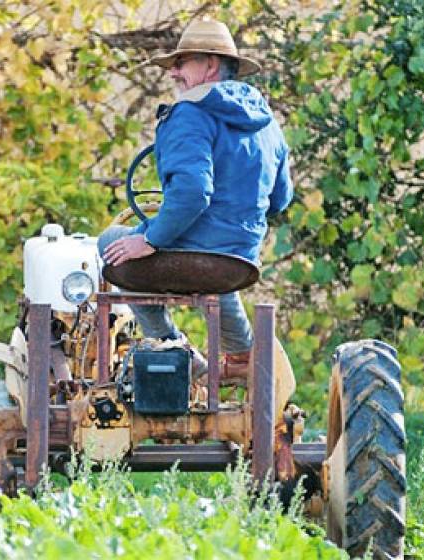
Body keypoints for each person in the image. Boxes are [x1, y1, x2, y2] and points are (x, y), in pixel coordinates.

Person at [99, 17, 292, 385]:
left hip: (195, 250)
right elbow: (280, 200)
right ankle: (240, 353)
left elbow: (191, 193)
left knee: (111, 242)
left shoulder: (189, 113)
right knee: (213, 262)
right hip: (239, 260)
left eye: (182, 62)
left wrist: (151, 239)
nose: (174, 72)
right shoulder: (269, 126)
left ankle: (171, 347)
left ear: (211, 66)